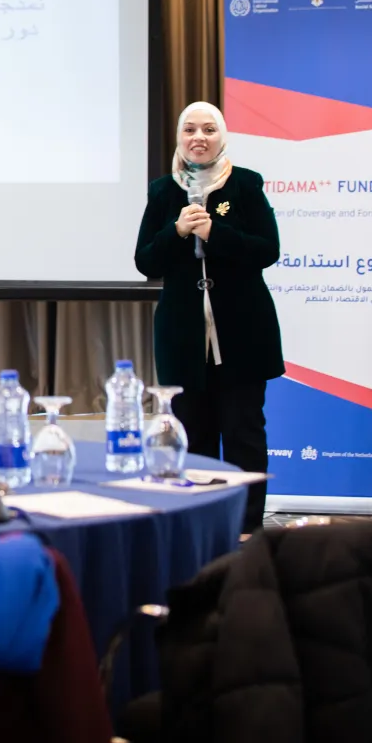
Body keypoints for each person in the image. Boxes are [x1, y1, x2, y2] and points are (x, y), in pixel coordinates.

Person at [134, 101, 283, 532]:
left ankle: (245, 528)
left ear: (222, 136)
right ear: (180, 138)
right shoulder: (163, 191)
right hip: (184, 338)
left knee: (244, 436)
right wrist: (177, 231)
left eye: (209, 129)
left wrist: (215, 233)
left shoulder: (246, 185)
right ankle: (196, 528)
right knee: (193, 438)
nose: (199, 138)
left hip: (243, 334)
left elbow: (267, 250)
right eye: (190, 130)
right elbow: (146, 261)